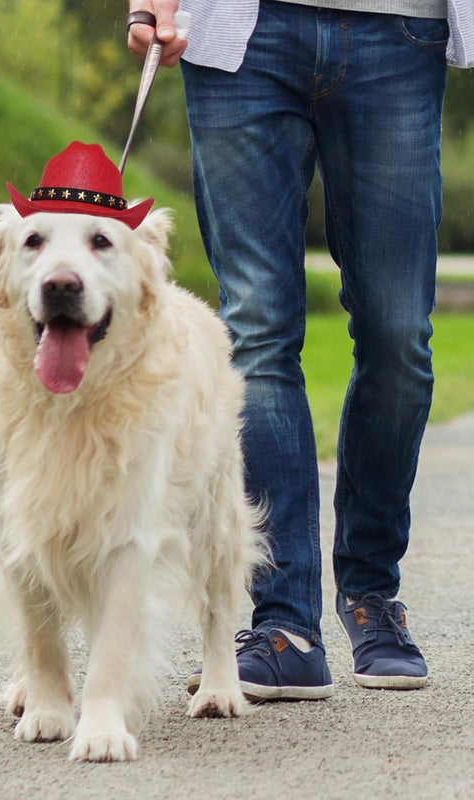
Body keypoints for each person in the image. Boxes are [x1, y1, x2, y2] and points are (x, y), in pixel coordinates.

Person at [128, 0, 474, 701]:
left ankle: (372, 592)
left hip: (399, 29)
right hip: (241, 36)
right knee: (256, 330)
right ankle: (283, 625)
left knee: (398, 333)